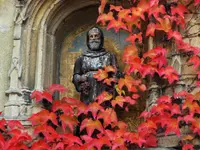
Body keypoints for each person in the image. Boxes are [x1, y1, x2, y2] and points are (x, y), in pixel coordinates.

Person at [72, 27, 119, 105]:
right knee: (87, 114)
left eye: (96, 36)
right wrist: (80, 78)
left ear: (101, 38)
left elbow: (116, 75)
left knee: (104, 114)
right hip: (87, 94)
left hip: (104, 93)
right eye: (91, 36)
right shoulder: (81, 58)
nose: (94, 39)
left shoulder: (110, 56)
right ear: (88, 40)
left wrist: (111, 83)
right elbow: (75, 76)